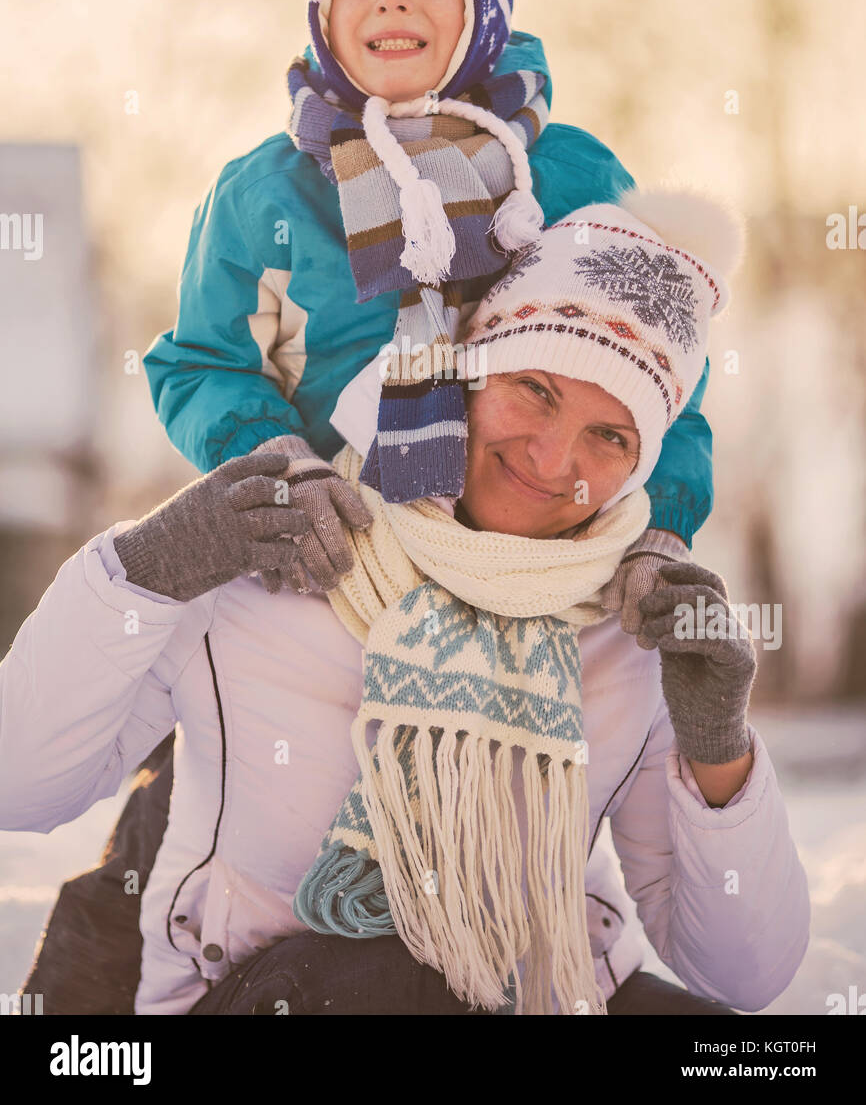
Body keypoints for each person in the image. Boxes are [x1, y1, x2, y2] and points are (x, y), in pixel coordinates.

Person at [1, 188, 810, 1015]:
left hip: (545, 992)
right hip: (272, 992)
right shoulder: (279, 552)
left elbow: (744, 978)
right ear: (465, 371)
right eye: (534, 387)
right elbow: (19, 784)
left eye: (611, 436)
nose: (551, 455)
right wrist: (147, 567)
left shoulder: (627, 625)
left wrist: (719, 750)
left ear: (638, 467)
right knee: (394, 981)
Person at [141, 0, 713, 631]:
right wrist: (280, 468)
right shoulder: (265, 194)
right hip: (337, 565)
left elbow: (668, 381)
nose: (393, 1)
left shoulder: (568, 175)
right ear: (322, 12)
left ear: (485, 4)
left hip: (537, 570)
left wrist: (663, 528)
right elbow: (202, 362)